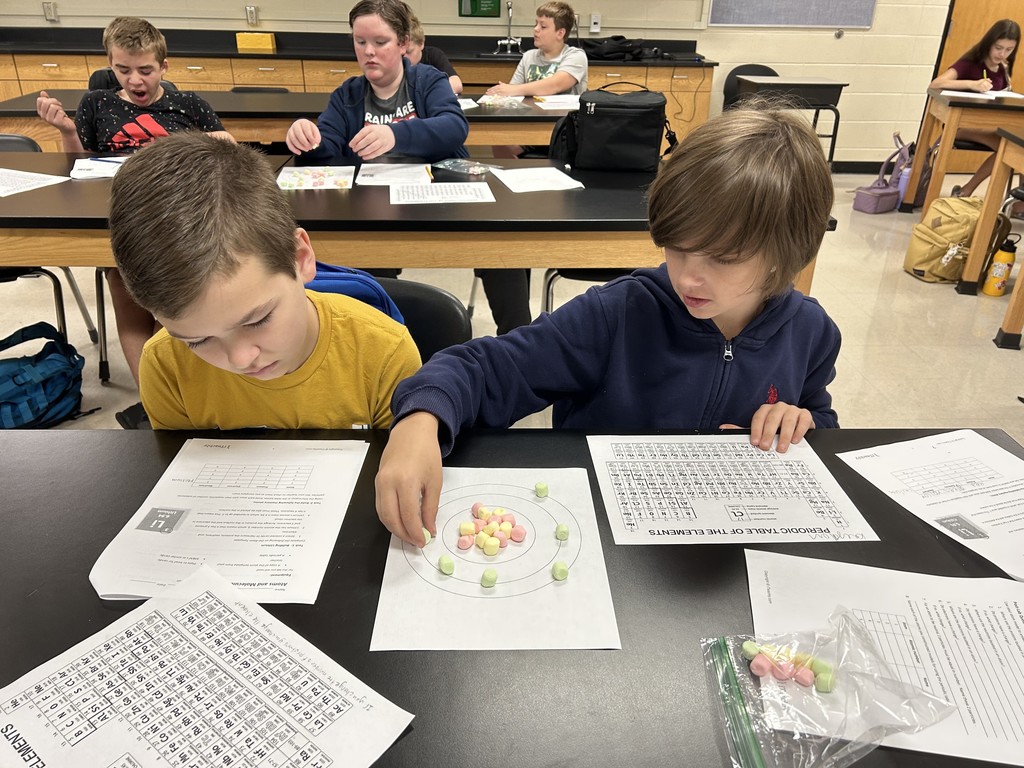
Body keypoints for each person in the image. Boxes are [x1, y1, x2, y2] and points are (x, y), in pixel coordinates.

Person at [375, 103, 842, 546]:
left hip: (725, 539)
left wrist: (801, 421)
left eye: (723, 258)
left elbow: (817, 418)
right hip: (600, 533)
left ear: (787, 253)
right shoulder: (615, 314)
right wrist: (421, 419)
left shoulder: (812, 333)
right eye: (677, 248)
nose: (688, 277)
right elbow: (484, 368)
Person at [108, 132, 421, 431]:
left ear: (300, 257)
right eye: (197, 341)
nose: (240, 359)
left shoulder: (383, 353)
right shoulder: (165, 367)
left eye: (257, 320)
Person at [35, 16, 236, 390]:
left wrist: (219, 140)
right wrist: (66, 131)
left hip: (178, 221)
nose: (135, 81)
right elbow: (80, 167)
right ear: (110, 65)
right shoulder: (97, 103)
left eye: (145, 70)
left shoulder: (188, 104)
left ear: (164, 66)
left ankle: (178, 387)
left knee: (173, 301)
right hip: (120, 218)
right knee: (123, 286)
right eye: (123, 70)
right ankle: (153, 395)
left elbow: (225, 150)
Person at [480, 1, 588, 335]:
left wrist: (512, 89)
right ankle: (515, 201)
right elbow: (510, 95)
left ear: (561, 32)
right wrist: (502, 95)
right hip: (528, 138)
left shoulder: (575, 56)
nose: (535, 31)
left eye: (543, 26)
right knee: (499, 143)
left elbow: (555, 85)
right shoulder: (529, 58)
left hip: (563, 140)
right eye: (536, 24)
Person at [285, 0, 469, 164]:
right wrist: (309, 140)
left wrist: (394, 135)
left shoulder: (428, 80)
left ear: (403, 43)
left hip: (427, 185)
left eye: (380, 42)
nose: (368, 51)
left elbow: (454, 127)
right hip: (367, 188)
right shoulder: (347, 95)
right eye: (360, 42)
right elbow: (328, 147)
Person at [928, 19, 1021, 199]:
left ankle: (968, 191)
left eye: (1009, 49)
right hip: (961, 125)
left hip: (988, 125)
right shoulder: (971, 63)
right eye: (998, 48)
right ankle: (967, 191)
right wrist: (972, 84)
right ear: (989, 43)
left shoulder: (1003, 68)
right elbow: (936, 83)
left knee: (1015, 148)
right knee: (1012, 149)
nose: (1002, 54)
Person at [406, 17, 463, 95]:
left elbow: (456, 85)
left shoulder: (434, 55)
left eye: (409, 52)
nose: (404, 58)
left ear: (421, 43)